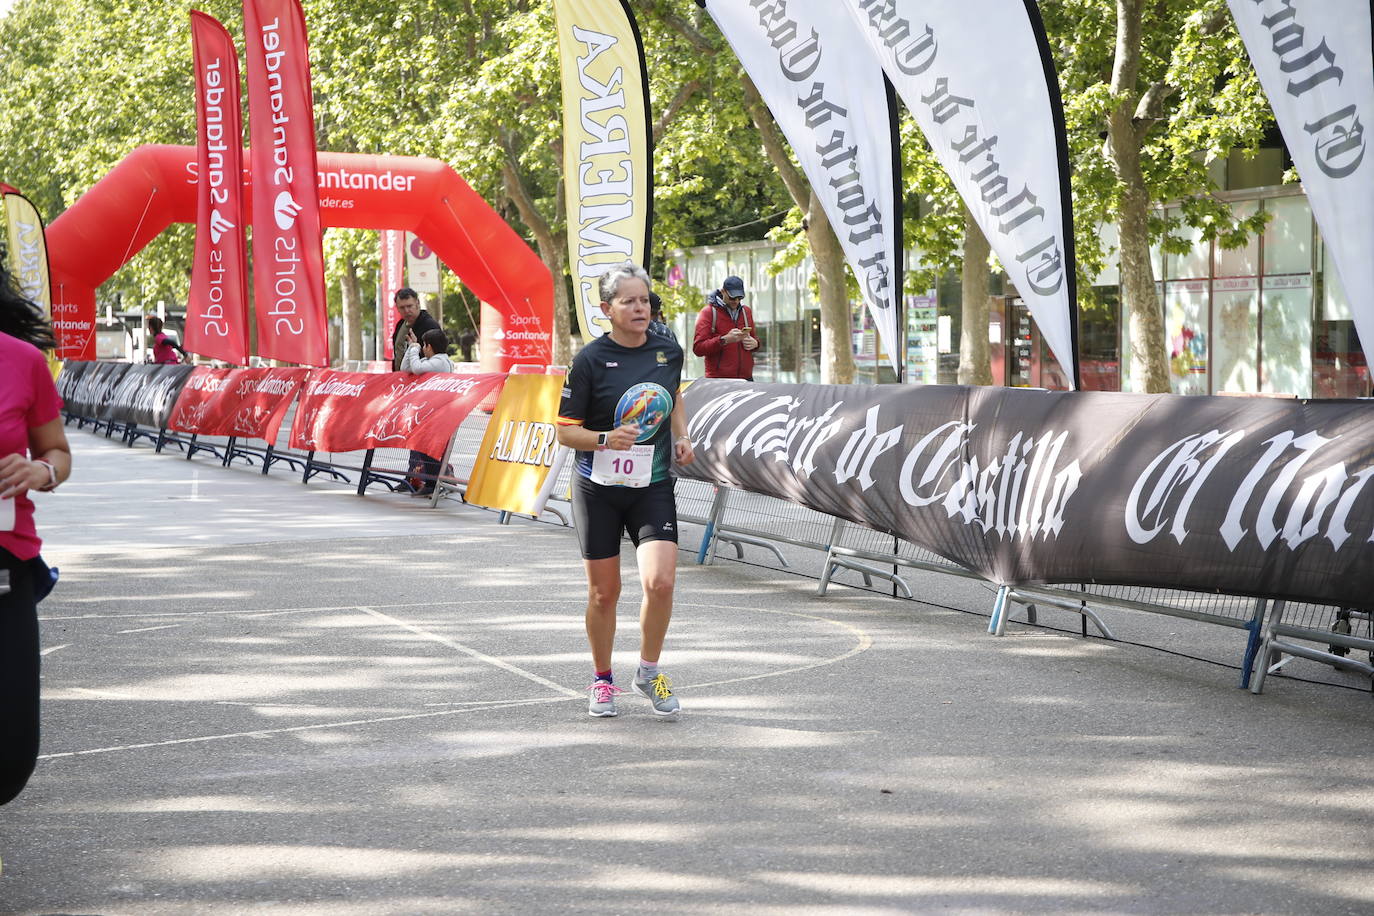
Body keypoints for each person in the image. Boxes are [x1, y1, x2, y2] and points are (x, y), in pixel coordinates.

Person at [556, 262, 694, 718]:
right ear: (607, 309)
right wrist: (604, 439)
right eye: (629, 301)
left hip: (651, 483)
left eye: (645, 300)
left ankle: (648, 671)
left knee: (661, 581)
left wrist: (681, 434)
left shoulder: (667, 350)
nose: (641, 308)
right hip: (598, 486)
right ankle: (601, 680)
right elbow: (564, 432)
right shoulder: (591, 360)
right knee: (605, 594)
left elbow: (673, 395)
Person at [0, 265, 72, 805]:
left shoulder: (22, 360)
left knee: (12, 749)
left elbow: (58, 453)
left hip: (4, 562)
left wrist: (41, 472)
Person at [399, 328, 453, 496]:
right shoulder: (434, 360)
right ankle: (432, 482)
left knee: (430, 448)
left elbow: (416, 368)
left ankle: (435, 482)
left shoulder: (440, 362)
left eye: (424, 345)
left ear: (429, 346)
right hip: (429, 411)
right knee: (424, 446)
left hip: (437, 412)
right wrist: (412, 347)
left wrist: (414, 348)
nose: (422, 348)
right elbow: (405, 367)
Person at [692, 274, 759, 380]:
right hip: (719, 381)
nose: (736, 301)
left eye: (740, 297)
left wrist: (755, 344)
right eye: (732, 297)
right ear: (723, 292)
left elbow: (755, 340)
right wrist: (724, 340)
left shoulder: (746, 312)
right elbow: (698, 348)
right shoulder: (708, 312)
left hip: (746, 379)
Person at [390, 288, 440, 372]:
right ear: (397, 308)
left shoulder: (430, 325)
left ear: (417, 303)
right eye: (402, 307)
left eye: (409, 306)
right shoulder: (400, 325)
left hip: (422, 379)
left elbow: (437, 358)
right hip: (400, 380)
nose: (406, 311)